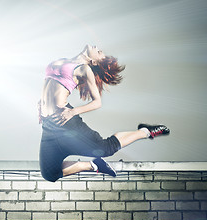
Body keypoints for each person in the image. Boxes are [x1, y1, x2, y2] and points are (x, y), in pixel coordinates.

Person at [38, 45, 170, 182]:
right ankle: (93, 165)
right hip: (49, 124)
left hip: (66, 122)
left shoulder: (84, 69)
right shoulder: (64, 60)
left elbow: (97, 102)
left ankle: (146, 131)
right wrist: (41, 103)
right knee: (49, 173)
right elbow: (51, 85)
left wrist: (73, 111)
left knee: (105, 148)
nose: (100, 50)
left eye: (102, 55)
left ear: (94, 62)